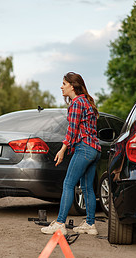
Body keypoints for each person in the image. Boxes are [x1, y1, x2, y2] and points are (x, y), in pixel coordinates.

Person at [41, 72, 101, 235]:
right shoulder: (87, 102)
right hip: (94, 149)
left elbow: (72, 130)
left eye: (64, 83)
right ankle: (90, 224)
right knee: (87, 187)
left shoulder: (76, 103)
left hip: (84, 149)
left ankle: (60, 223)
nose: (61, 86)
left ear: (72, 86)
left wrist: (62, 150)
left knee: (68, 184)